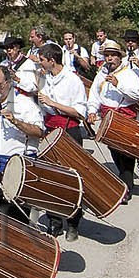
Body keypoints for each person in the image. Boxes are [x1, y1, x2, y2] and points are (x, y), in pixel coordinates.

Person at [34, 42, 91, 238]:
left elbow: (80, 112)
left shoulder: (73, 80)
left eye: (42, 60)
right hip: (49, 130)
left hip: (69, 131)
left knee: (72, 178)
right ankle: (54, 221)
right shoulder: (45, 78)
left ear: (52, 60)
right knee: (50, 177)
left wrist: (53, 103)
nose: (40, 63)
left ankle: (74, 221)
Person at [0, 64, 45, 224]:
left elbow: (39, 132)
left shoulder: (25, 103)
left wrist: (16, 121)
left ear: (9, 82)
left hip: (18, 169)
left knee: (18, 221)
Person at [84, 40, 139, 204]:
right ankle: (124, 179)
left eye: (113, 55)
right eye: (107, 55)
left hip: (125, 116)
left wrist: (119, 84)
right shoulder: (101, 74)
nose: (109, 58)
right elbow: (95, 94)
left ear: (119, 57)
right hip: (107, 116)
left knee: (126, 152)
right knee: (114, 150)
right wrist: (92, 110)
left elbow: (138, 94)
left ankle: (126, 186)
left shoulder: (128, 74)